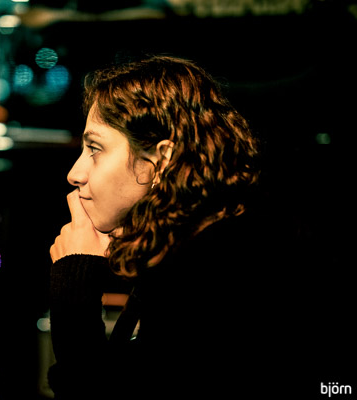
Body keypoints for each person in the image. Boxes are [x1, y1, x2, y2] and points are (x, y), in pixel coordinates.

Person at [47, 55, 316, 399]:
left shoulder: (212, 271)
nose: (75, 174)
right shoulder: (218, 239)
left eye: (94, 149)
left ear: (161, 160)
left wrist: (75, 278)